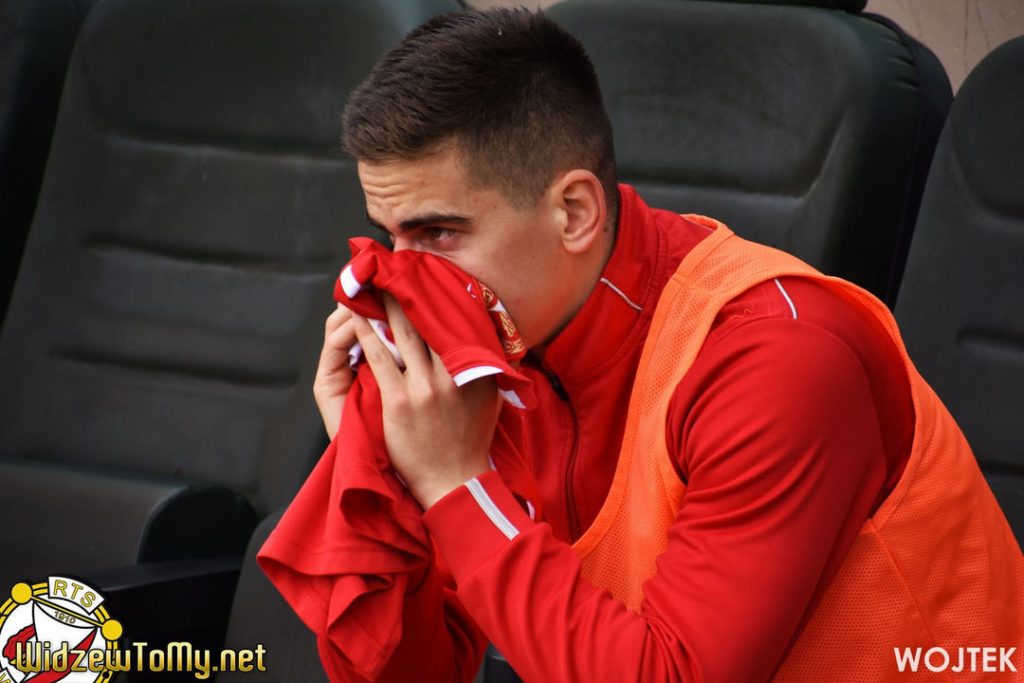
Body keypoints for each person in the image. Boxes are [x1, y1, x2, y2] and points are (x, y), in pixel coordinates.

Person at [307, 8, 1022, 682]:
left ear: (574, 212)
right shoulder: (489, 362)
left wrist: (455, 486)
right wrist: (380, 475)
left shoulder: (778, 358)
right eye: (389, 238)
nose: (397, 281)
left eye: (438, 234)